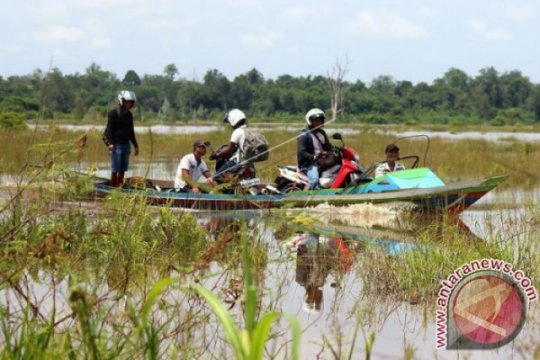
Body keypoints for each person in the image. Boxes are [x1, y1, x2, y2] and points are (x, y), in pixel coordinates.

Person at [104, 90, 139, 187]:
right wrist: (111, 144)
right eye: (127, 102)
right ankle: (113, 189)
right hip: (116, 145)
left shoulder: (129, 115)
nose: (129, 104)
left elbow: (131, 131)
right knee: (115, 169)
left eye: (131, 102)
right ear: (121, 101)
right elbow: (110, 129)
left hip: (126, 145)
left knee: (123, 169)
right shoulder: (113, 113)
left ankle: (120, 188)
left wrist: (136, 146)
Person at [297, 108, 333, 190]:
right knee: (314, 180)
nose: (318, 122)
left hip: (321, 161)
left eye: (320, 120)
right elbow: (301, 153)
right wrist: (314, 157)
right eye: (316, 121)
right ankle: (303, 196)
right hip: (309, 164)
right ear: (310, 121)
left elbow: (328, 146)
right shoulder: (304, 135)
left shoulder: (322, 133)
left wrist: (338, 150)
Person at [209, 108, 248, 175]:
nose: (230, 124)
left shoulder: (237, 132)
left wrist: (217, 155)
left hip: (238, 162)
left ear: (233, 120)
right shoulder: (247, 130)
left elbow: (229, 149)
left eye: (229, 122)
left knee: (216, 177)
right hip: (248, 162)